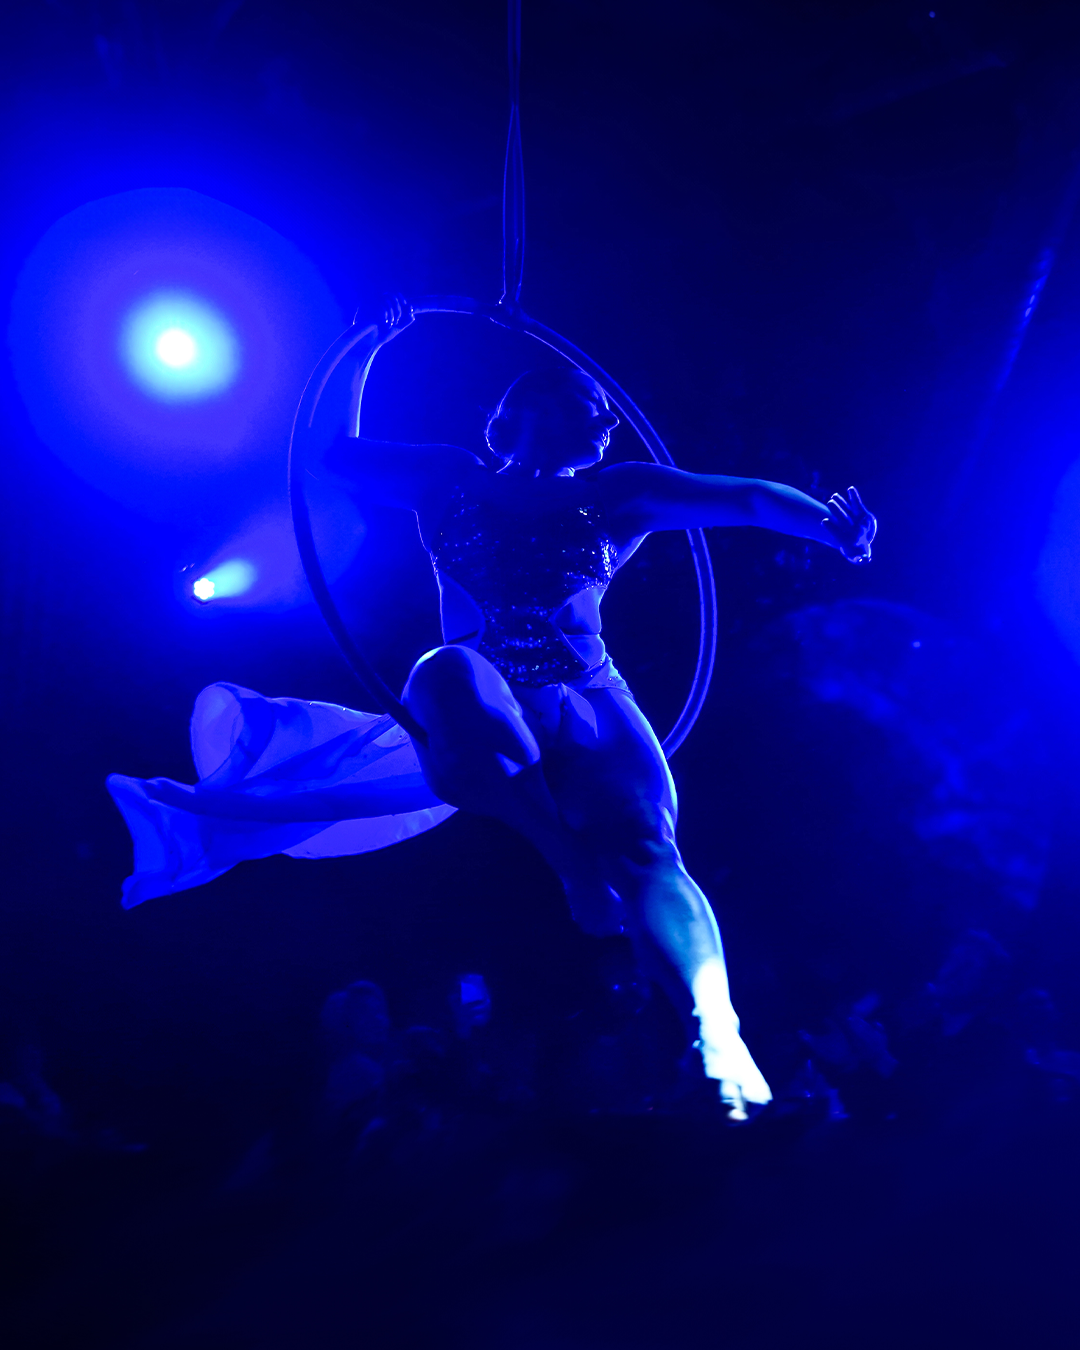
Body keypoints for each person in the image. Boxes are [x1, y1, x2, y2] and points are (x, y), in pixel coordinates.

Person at [319, 296, 878, 1119]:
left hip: (585, 697)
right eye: (590, 402)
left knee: (651, 848)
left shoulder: (622, 493)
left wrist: (833, 530)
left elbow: (748, 500)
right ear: (521, 411)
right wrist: (366, 344)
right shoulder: (447, 477)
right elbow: (333, 458)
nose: (608, 418)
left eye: (607, 410)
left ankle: (716, 1027)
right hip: (483, 699)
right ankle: (569, 862)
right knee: (442, 671)